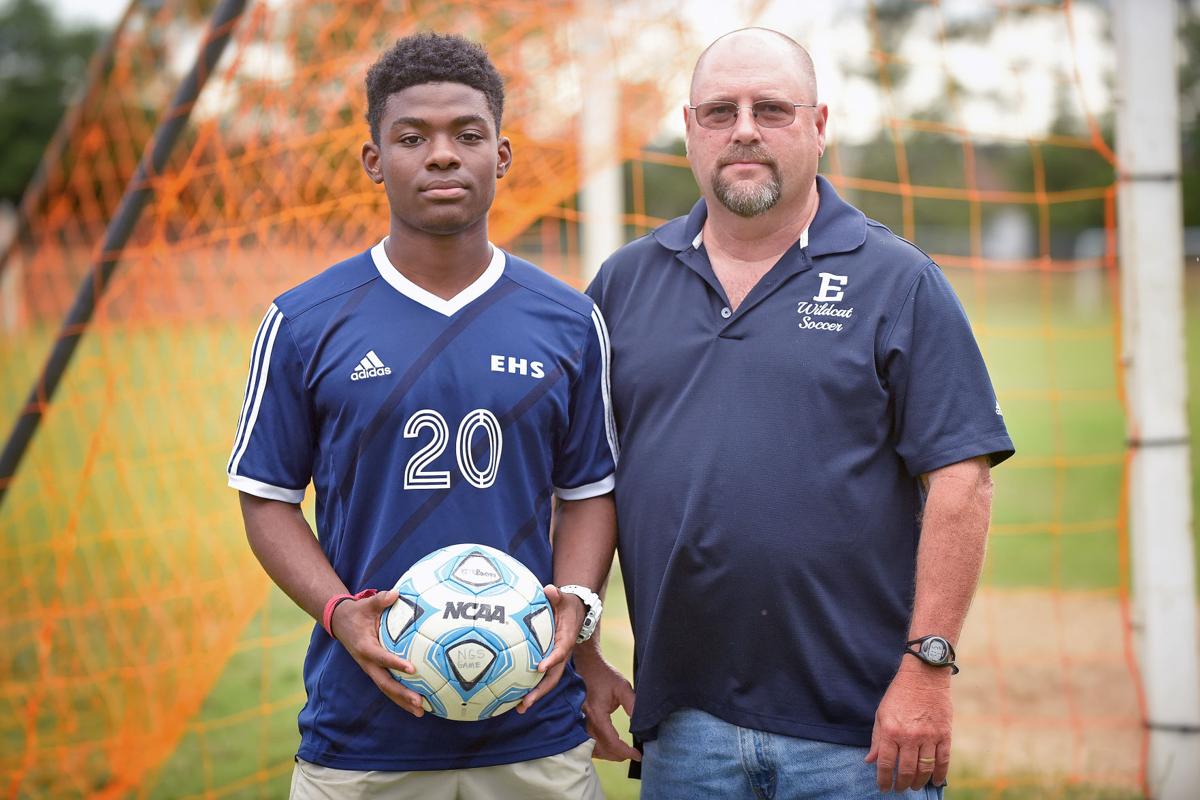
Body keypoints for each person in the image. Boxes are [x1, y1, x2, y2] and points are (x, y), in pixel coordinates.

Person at [579, 27, 1014, 799]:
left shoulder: (898, 280)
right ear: (690, 130)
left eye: (771, 109)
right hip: (682, 727)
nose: (744, 129)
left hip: (861, 734)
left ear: (818, 126)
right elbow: (585, 485)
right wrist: (582, 651)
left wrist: (928, 668)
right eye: (721, 111)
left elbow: (961, 480)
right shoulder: (624, 283)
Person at [226, 33, 617, 800]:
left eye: (467, 135)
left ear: (501, 155)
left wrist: (577, 602)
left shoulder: (569, 320)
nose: (442, 156)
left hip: (535, 727)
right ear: (374, 160)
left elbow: (588, 492)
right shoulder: (305, 321)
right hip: (361, 734)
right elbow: (267, 499)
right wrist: (339, 612)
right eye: (412, 138)